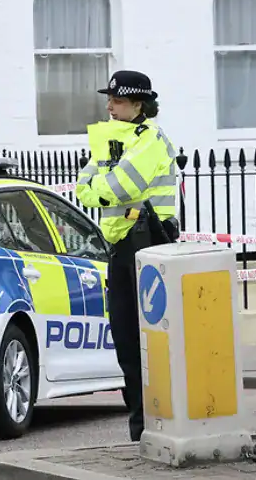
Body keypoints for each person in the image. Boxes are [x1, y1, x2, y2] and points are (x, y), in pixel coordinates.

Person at [75, 69, 180, 443]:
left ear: (139, 105)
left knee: (152, 338)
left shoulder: (150, 140)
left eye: (117, 101)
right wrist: (99, 187)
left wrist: (100, 187)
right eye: (110, 100)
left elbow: (119, 188)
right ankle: (140, 427)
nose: (110, 107)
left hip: (150, 243)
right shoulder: (112, 143)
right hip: (120, 246)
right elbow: (82, 188)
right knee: (125, 338)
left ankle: (159, 421)